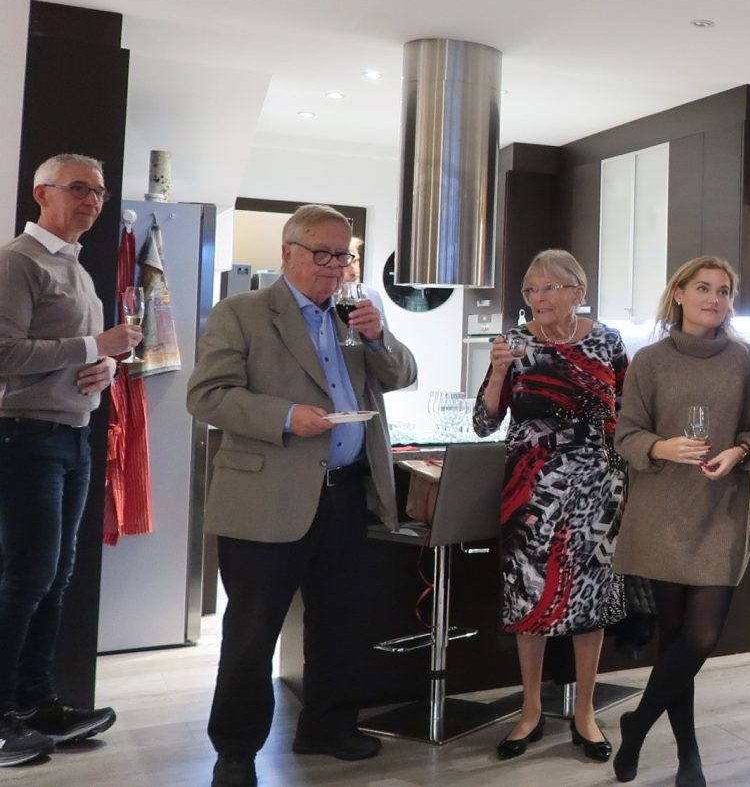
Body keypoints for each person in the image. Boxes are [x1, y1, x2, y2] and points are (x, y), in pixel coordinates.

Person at [188, 203, 418, 787]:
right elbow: (207, 396)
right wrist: (289, 416)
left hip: (345, 494)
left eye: (343, 255)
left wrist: (379, 336)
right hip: (267, 497)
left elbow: (402, 375)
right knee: (252, 632)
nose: (334, 266)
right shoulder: (241, 313)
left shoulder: (353, 316)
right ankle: (236, 751)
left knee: (340, 621)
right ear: (287, 253)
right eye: (322, 253)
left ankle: (327, 726)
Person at [0, 154, 141, 768]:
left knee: (56, 577)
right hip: (25, 435)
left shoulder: (75, 265)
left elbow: (79, 356)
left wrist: (105, 366)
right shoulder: (17, 261)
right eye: (79, 188)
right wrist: (94, 345)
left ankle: (35, 705)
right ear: (42, 193)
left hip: (72, 435)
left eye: (100, 192)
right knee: (27, 577)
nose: (93, 200)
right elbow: (4, 354)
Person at [610, 256, 750, 787]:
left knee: (700, 638)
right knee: (676, 639)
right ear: (678, 293)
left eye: (724, 291)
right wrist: (661, 446)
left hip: (721, 511)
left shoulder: (745, 360)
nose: (714, 299)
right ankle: (689, 755)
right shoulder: (649, 361)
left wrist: (739, 451)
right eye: (703, 288)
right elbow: (625, 435)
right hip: (662, 515)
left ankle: (637, 726)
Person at [472, 249, 628, 763]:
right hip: (530, 490)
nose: (538, 298)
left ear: (578, 292)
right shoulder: (515, 343)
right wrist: (498, 372)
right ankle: (531, 710)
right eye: (531, 290)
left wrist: (623, 478)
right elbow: (483, 422)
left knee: (590, 600)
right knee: (528, 599)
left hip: (598, 487)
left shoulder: (608, 342)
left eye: (549, 288)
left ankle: (585, 712)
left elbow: (627, 416)